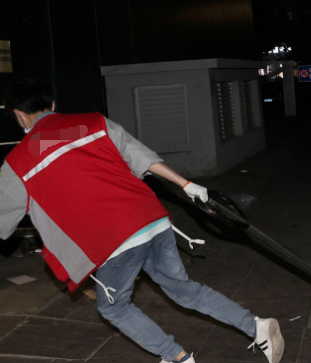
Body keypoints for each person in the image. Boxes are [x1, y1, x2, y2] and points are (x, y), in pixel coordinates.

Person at [0, 78, 284, 363]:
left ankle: (177, 358)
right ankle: (256, 326)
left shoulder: (18, 161)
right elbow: (141, 157)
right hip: (151, 218)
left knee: (114, 308)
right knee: (182, 288)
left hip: (112, 238)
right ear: (52, 104)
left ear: (19, 115)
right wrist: (187, 185)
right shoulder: (91, 123)